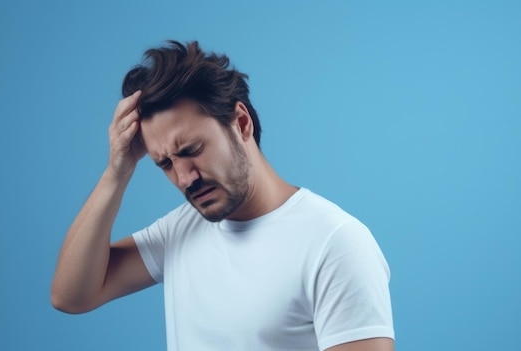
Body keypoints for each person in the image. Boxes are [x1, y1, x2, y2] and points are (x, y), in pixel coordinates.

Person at [51, 40, 394, 351]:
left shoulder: (336, 244)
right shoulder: (181, 230)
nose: (184, 178)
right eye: (165, 164)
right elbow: (71, 295)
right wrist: (117, 172)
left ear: (241, 122)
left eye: (192, 149)